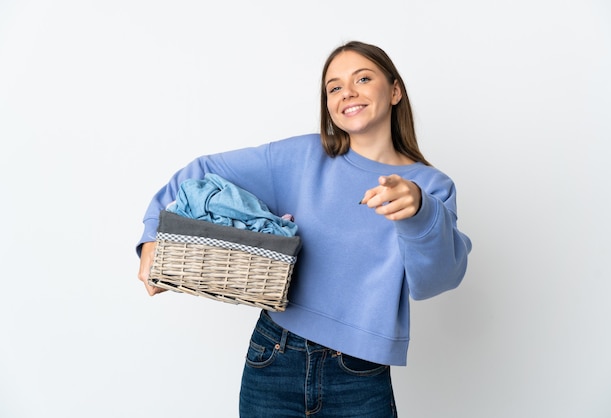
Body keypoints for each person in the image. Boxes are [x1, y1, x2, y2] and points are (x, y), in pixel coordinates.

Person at [137, 40, 472, 417]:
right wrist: (152, 236)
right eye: (334, 87)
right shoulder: (301, 158)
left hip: (359, 373)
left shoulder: (430, 187)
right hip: (274, 356)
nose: (348, 92)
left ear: (395, 91)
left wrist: (420, 212)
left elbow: (435, 282)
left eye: (363, 78)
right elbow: (202, 172)